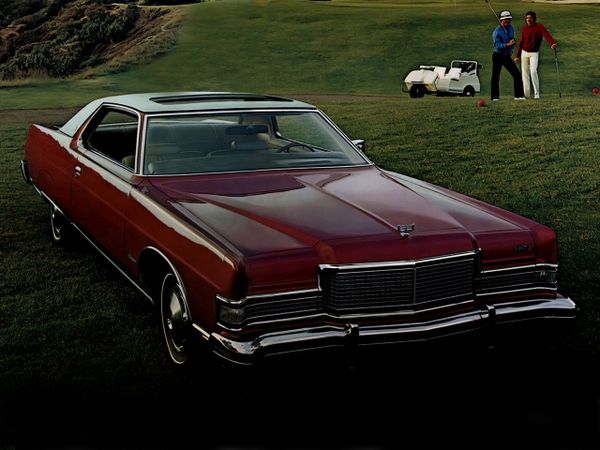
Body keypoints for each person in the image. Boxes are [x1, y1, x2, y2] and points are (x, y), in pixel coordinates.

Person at [514, 10, 557, 99]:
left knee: (533, 71)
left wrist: (552, 43)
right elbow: (521, 42)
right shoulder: (524, 29)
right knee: (525, 74)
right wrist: (517, 56)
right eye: (527, 18)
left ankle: (536, 94)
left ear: (534, 19)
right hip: (524, 53)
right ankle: (526, 95)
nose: (528, 20)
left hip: (534, 53)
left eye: (530, 18)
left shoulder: (539, 27)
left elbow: (547, 35)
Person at [491, 10, 525, 101]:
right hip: (498, 55)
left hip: (506, 56)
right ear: (501, 20)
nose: (507, 21)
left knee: (517, 74)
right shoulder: (496, 32)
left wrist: (512, 42)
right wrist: (507, 44)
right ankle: (494, 97)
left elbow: (512, 38)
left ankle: (519, 96)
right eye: (505, 20)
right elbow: (497, 45)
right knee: (495, 77)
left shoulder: (511, 28)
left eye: (508, 19)